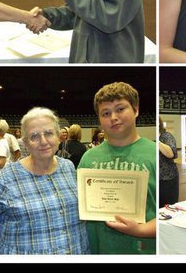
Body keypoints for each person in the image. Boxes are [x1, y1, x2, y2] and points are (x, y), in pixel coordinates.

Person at [0, 107, 89, 254]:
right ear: (25, 142)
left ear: (59, 137)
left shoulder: (69, 168)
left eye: (49, 133)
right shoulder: (4, 180)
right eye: (34, 136)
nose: (43, 141)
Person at [78, 82, 156, 254]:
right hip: (99, 249)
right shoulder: (88, 158)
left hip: (143, 249)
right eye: (106, 113)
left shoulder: (155, 155)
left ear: (136, 110)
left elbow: (170, 213)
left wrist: (140, 230)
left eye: (120, 109)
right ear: (99, 119)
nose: (113, 117)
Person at [158, 118, 179, 207]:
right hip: (156, 178)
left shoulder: (166, 136)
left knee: (168, 207)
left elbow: (171, 154)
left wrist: (157, 141)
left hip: (167, 179)